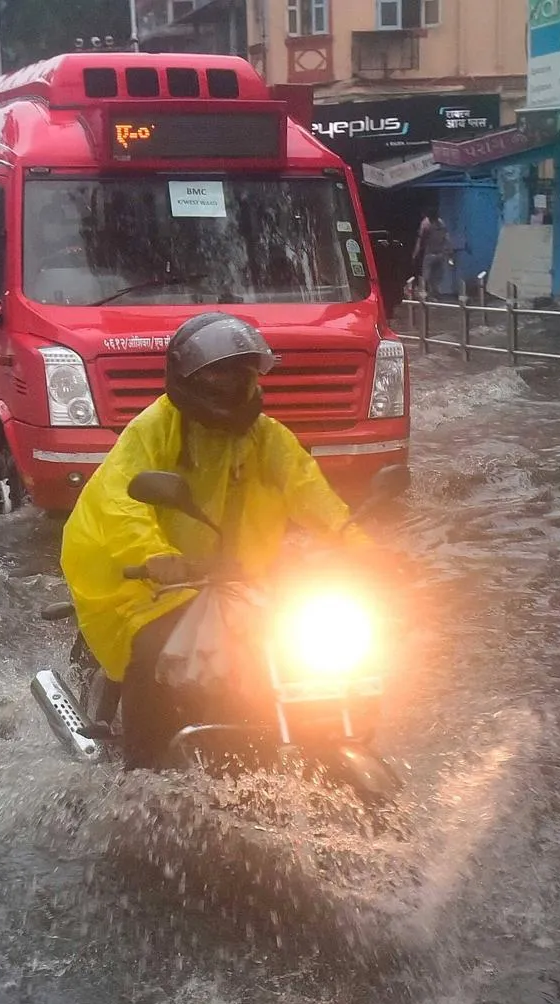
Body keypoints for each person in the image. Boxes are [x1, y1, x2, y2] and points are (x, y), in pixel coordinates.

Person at [60, 312, 368, 769]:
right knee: (152, 649)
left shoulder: (267, 437)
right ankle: (143, 773)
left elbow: (308, 489)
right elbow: (121, 500)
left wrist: (358, 543)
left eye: (240, 373)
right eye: (218, 374)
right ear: (188, 380)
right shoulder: (153, 429)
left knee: (296, 645)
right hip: (141, 577)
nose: (231, 384)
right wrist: (154, 555)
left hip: (230, 577)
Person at [413, 210, 456, 299]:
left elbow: (420, 240)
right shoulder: (440, 223)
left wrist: (415, 254)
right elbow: (447, 238)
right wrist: (450, 252)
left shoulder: (426, 223)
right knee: (433, 277)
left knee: (429, 277)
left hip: (432, 254)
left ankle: (429, 295)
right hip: (437, 254)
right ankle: (432, 295)